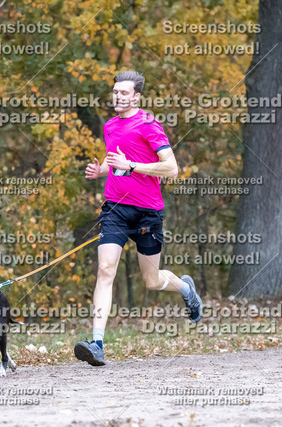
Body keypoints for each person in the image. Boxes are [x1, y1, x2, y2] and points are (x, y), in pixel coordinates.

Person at [74, 71, 203, 366]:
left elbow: (171, 169)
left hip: (148, 212)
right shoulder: (109, 125)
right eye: (115, 91)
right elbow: (116, 161)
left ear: (136, 97)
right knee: (105, 270)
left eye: (124, 92)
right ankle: (97, 344)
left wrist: (130, 165)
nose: (118, 96)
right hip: (116, 209)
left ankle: (185, 289)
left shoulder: (148, 124)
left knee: (151, 280)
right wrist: (102, 170)